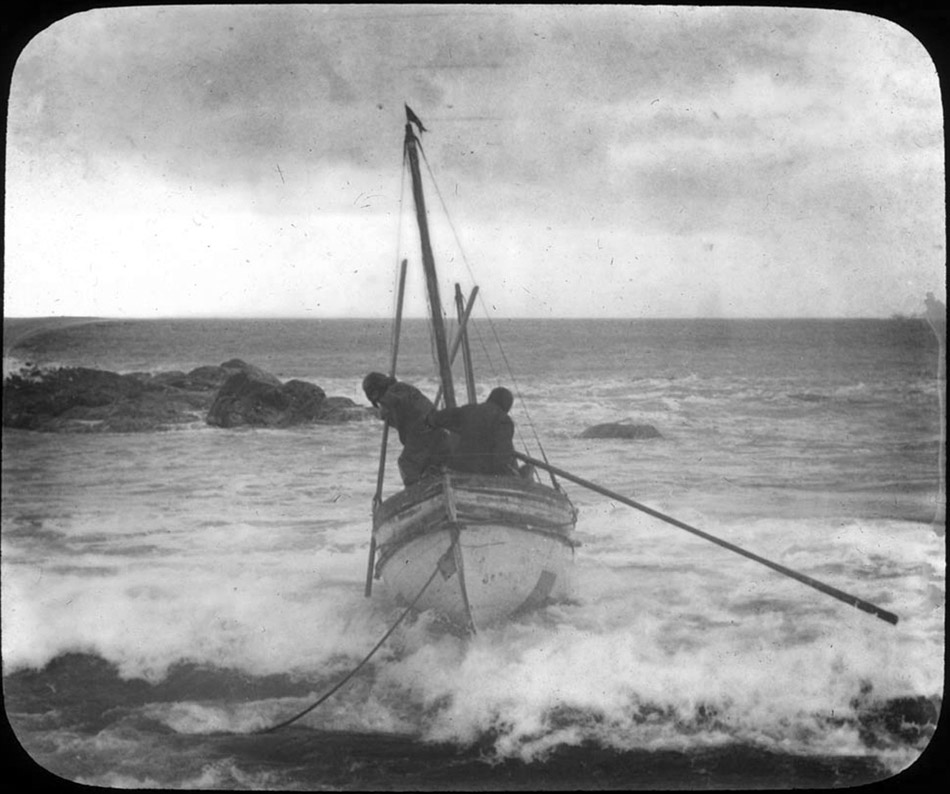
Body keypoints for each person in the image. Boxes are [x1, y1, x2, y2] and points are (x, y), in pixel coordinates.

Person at [362, 372, 452, 486]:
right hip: (438, 433)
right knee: (433, 467)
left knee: (407, 464)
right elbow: (400, 414)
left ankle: (417, 493)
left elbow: (395, 401)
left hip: (423, 435)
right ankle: (434, 487)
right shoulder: (404, 390)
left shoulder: (396, 391)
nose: (380, 403)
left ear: (375, 392)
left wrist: (384, 408)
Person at [426, 386, 519, 476]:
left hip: (458, 467)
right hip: (485, 474)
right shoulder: (504, 421)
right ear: (507, 406)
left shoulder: (469, 410)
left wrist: (431, 419)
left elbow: (442, 417)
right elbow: (501, 455)